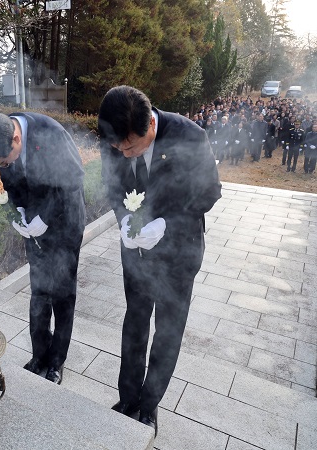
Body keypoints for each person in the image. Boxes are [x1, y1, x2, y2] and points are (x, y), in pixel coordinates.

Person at [98, 86, 222, 437]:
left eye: (131, 147)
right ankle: (127, 398)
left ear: (149, 125)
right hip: (135, 252)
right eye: (117, 147)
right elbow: (112, 186)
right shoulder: (114, 138)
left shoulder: (188, 135)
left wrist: (166, 223)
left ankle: (149, 406)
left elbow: (211, 191)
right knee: (134, 323)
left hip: (177, 254)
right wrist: (122, 216)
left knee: (167, 332)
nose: (123, 153)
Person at [0, 112, 86, 385]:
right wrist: (18, 213)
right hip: (34, 223)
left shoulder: (51, 134)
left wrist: (44, 218)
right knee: (39, 290)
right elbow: (11, 185)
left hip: (65, 223)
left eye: (4, 161)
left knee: (62, 294)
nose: (4, 166)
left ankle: (56, 362)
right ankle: (39, 356)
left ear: (17, 139)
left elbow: (73, 182)